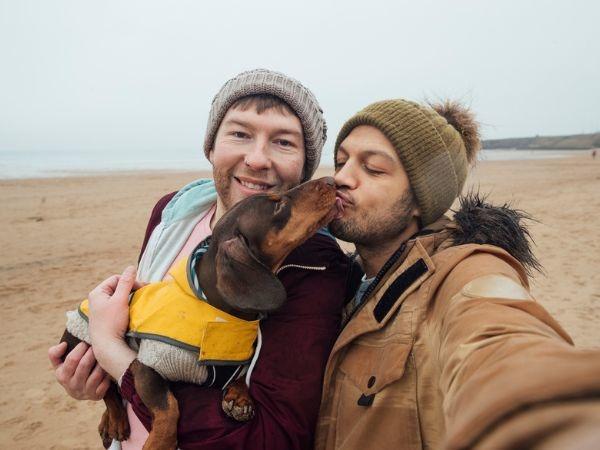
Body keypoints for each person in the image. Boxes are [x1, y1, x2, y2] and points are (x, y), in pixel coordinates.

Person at [48, 69, 349, 449]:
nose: (257, 159)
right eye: (239, 133)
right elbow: (146, 335)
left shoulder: (315, 265)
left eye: (284, 142)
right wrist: (94, 381)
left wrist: (109, 348)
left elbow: (273, 438)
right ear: (211, 146)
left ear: (305, 163)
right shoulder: (173, 213)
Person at [316, 99, 600, 449]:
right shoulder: (342, 283)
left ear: (423, 199)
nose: (340, 178)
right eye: (341, 161)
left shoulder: (463, 272)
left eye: (373, 169)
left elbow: (499, 341)